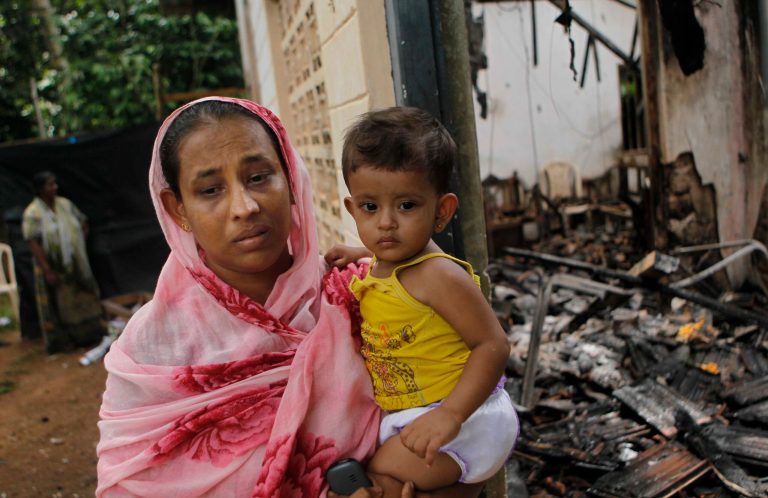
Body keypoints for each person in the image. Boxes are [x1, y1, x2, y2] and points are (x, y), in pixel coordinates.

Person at [96, 97, 479, 498]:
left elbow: (475, 432)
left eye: (259, 177)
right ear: (178, 209)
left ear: (292, 180)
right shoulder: (151, 352)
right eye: (210, 189)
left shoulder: (365, 296)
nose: (244, 207)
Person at [325, 107, 518, 494]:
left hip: (465, 418)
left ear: (441, 211)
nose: (386, 223)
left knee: (380, 472)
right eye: (370, 207)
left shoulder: (439, 276)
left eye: (407, 206)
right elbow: (391, 270)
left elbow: (493, 344)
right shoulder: (387, 261)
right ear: (352, 209)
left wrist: (451, 414)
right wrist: (359, 254)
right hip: (425, 415)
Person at [22, 171, 103, 353]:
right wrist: (48, 270)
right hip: (54, 266)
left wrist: (78, 244)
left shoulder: (65, 205)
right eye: (50, 185)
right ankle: (69, 340)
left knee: (83, 295)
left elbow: (83, 222)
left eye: (55, 183)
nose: (55, 187)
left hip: (76, 263)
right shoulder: (33, 213)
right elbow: (32, 241)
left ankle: (90, 335)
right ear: (40, 189)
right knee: (62, 301)